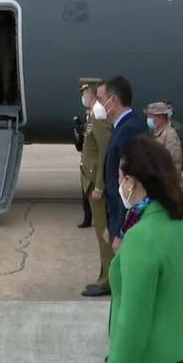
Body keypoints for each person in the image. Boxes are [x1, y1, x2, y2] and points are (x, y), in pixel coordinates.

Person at [107, 134, 183, 363]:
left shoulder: (141, 236)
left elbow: (133, 320)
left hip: (147, 356)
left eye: (121, 176)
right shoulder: (177, 223)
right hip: (174, 350)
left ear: (132, 181)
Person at [97, 76, 145, 253]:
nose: (99, 105)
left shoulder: (130, 130)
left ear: (114, 100)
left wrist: (120, 231)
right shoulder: (123, 127)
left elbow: (132, 186)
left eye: (101, 100)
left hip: (127, 227)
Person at [78, 78, 114, 297]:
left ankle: (107, 280)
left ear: (91, 94)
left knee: (104, 233)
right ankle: (104, 276)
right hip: (90, 180)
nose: (82, 97)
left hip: (96, 183)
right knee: (100, 232)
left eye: (84, 93)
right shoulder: (92, 115)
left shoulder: (99, 117)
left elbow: (104, 154)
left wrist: (99, 185)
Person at [145, 101, 183, 171]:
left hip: (165, 178)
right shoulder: (155, 134)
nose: (149, 119)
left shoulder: (170, 135)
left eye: (151, 116)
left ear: (160, 117)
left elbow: (170, 161)